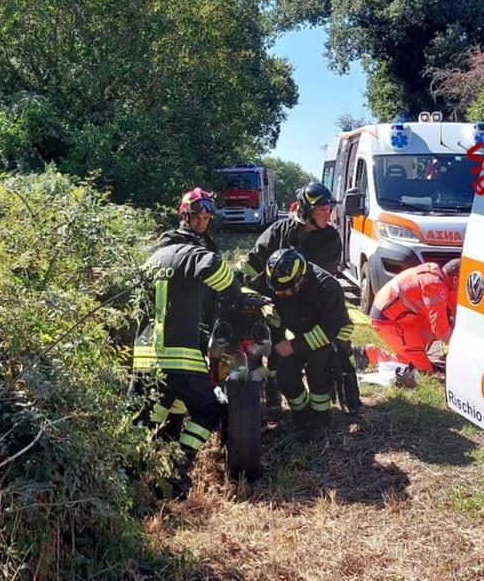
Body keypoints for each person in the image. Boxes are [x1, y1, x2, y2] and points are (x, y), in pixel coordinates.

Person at [132, 187, 240, 498]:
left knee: (148, 416)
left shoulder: (153, 258)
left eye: (207, 217)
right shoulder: (192, 253)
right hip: (179, 353)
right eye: (198, 216)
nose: (203, 221)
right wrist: (237, 293)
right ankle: (177, 467)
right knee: (208, 411)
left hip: (145, 356)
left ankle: (132, 483)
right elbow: (217, 273)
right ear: (184, 216)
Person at [237, 182, 360, 411]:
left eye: (329, 210)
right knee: (274, 348)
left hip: (310, 307)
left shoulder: (330, 239)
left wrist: (297, 342)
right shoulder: (279, 230)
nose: (328, 215)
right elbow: (254, 261)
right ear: (306, 212)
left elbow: (313, 281)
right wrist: (234, 284)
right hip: (278, 301)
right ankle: (273, 393)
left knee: (327, 355)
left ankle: (345, 396)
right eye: (321, 210)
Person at [264, 248, 352, 439]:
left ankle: (320, 419)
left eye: (284, 290)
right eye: (276, 290)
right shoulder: (281, 284)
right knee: (285, 370)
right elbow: (276, 315)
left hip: (333, 334)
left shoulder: (327, 287)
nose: (279, 294)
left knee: (318, 366)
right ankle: (301, 414)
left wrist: (293, 346)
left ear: (300, 279)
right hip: (303, 333)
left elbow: (329, 330)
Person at [358, 259, 460, 387]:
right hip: (388, 321)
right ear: (455, 279)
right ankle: (366, 354)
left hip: (400, 318)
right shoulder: (434, 285)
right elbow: (441, 330)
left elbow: (451, 312)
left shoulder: (436, 277)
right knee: (423, 370)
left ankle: (414, 355)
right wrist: (461, 349)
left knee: (417, 361)